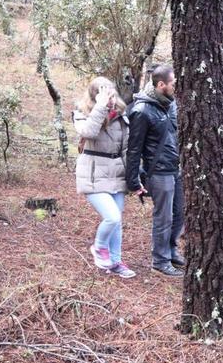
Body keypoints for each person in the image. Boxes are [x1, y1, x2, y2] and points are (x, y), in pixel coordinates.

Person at [125, 65, 185, 277]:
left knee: (180, 213)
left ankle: (171, 250)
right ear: (161, 85)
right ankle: (160, 261)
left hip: (176, 169)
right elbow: (133, 149)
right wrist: (133, 181)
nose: (176, 87)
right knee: (164, 217)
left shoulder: (171, 105)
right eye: (173, 84)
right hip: (158, 172)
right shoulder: (141, 111)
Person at [73, 77, 136, 278]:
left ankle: (115, 262)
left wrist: (134, 178)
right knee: (112, 217)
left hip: (116, 174)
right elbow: (89, 132)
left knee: (116, 222)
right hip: (92, 174)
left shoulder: (121, 116)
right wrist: (100, 107)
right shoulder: (82, 114)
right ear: (94, 95)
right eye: (104, 92)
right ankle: (99, 247)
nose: (110, 96)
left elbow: (126, 149)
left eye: (111, 92)